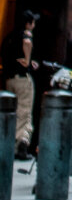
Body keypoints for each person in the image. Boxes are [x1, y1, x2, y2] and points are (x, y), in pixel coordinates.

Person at [2, 10, 41, 158]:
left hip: (9, 79)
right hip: (22, 79)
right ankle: (20, 146)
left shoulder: (9, 37)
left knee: (10, 111)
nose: (34, 25)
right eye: (33, 22)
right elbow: (27, 42)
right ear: (28, 23)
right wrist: (27, 59)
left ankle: (9, 143)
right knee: (24, 111)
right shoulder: (25, 35)